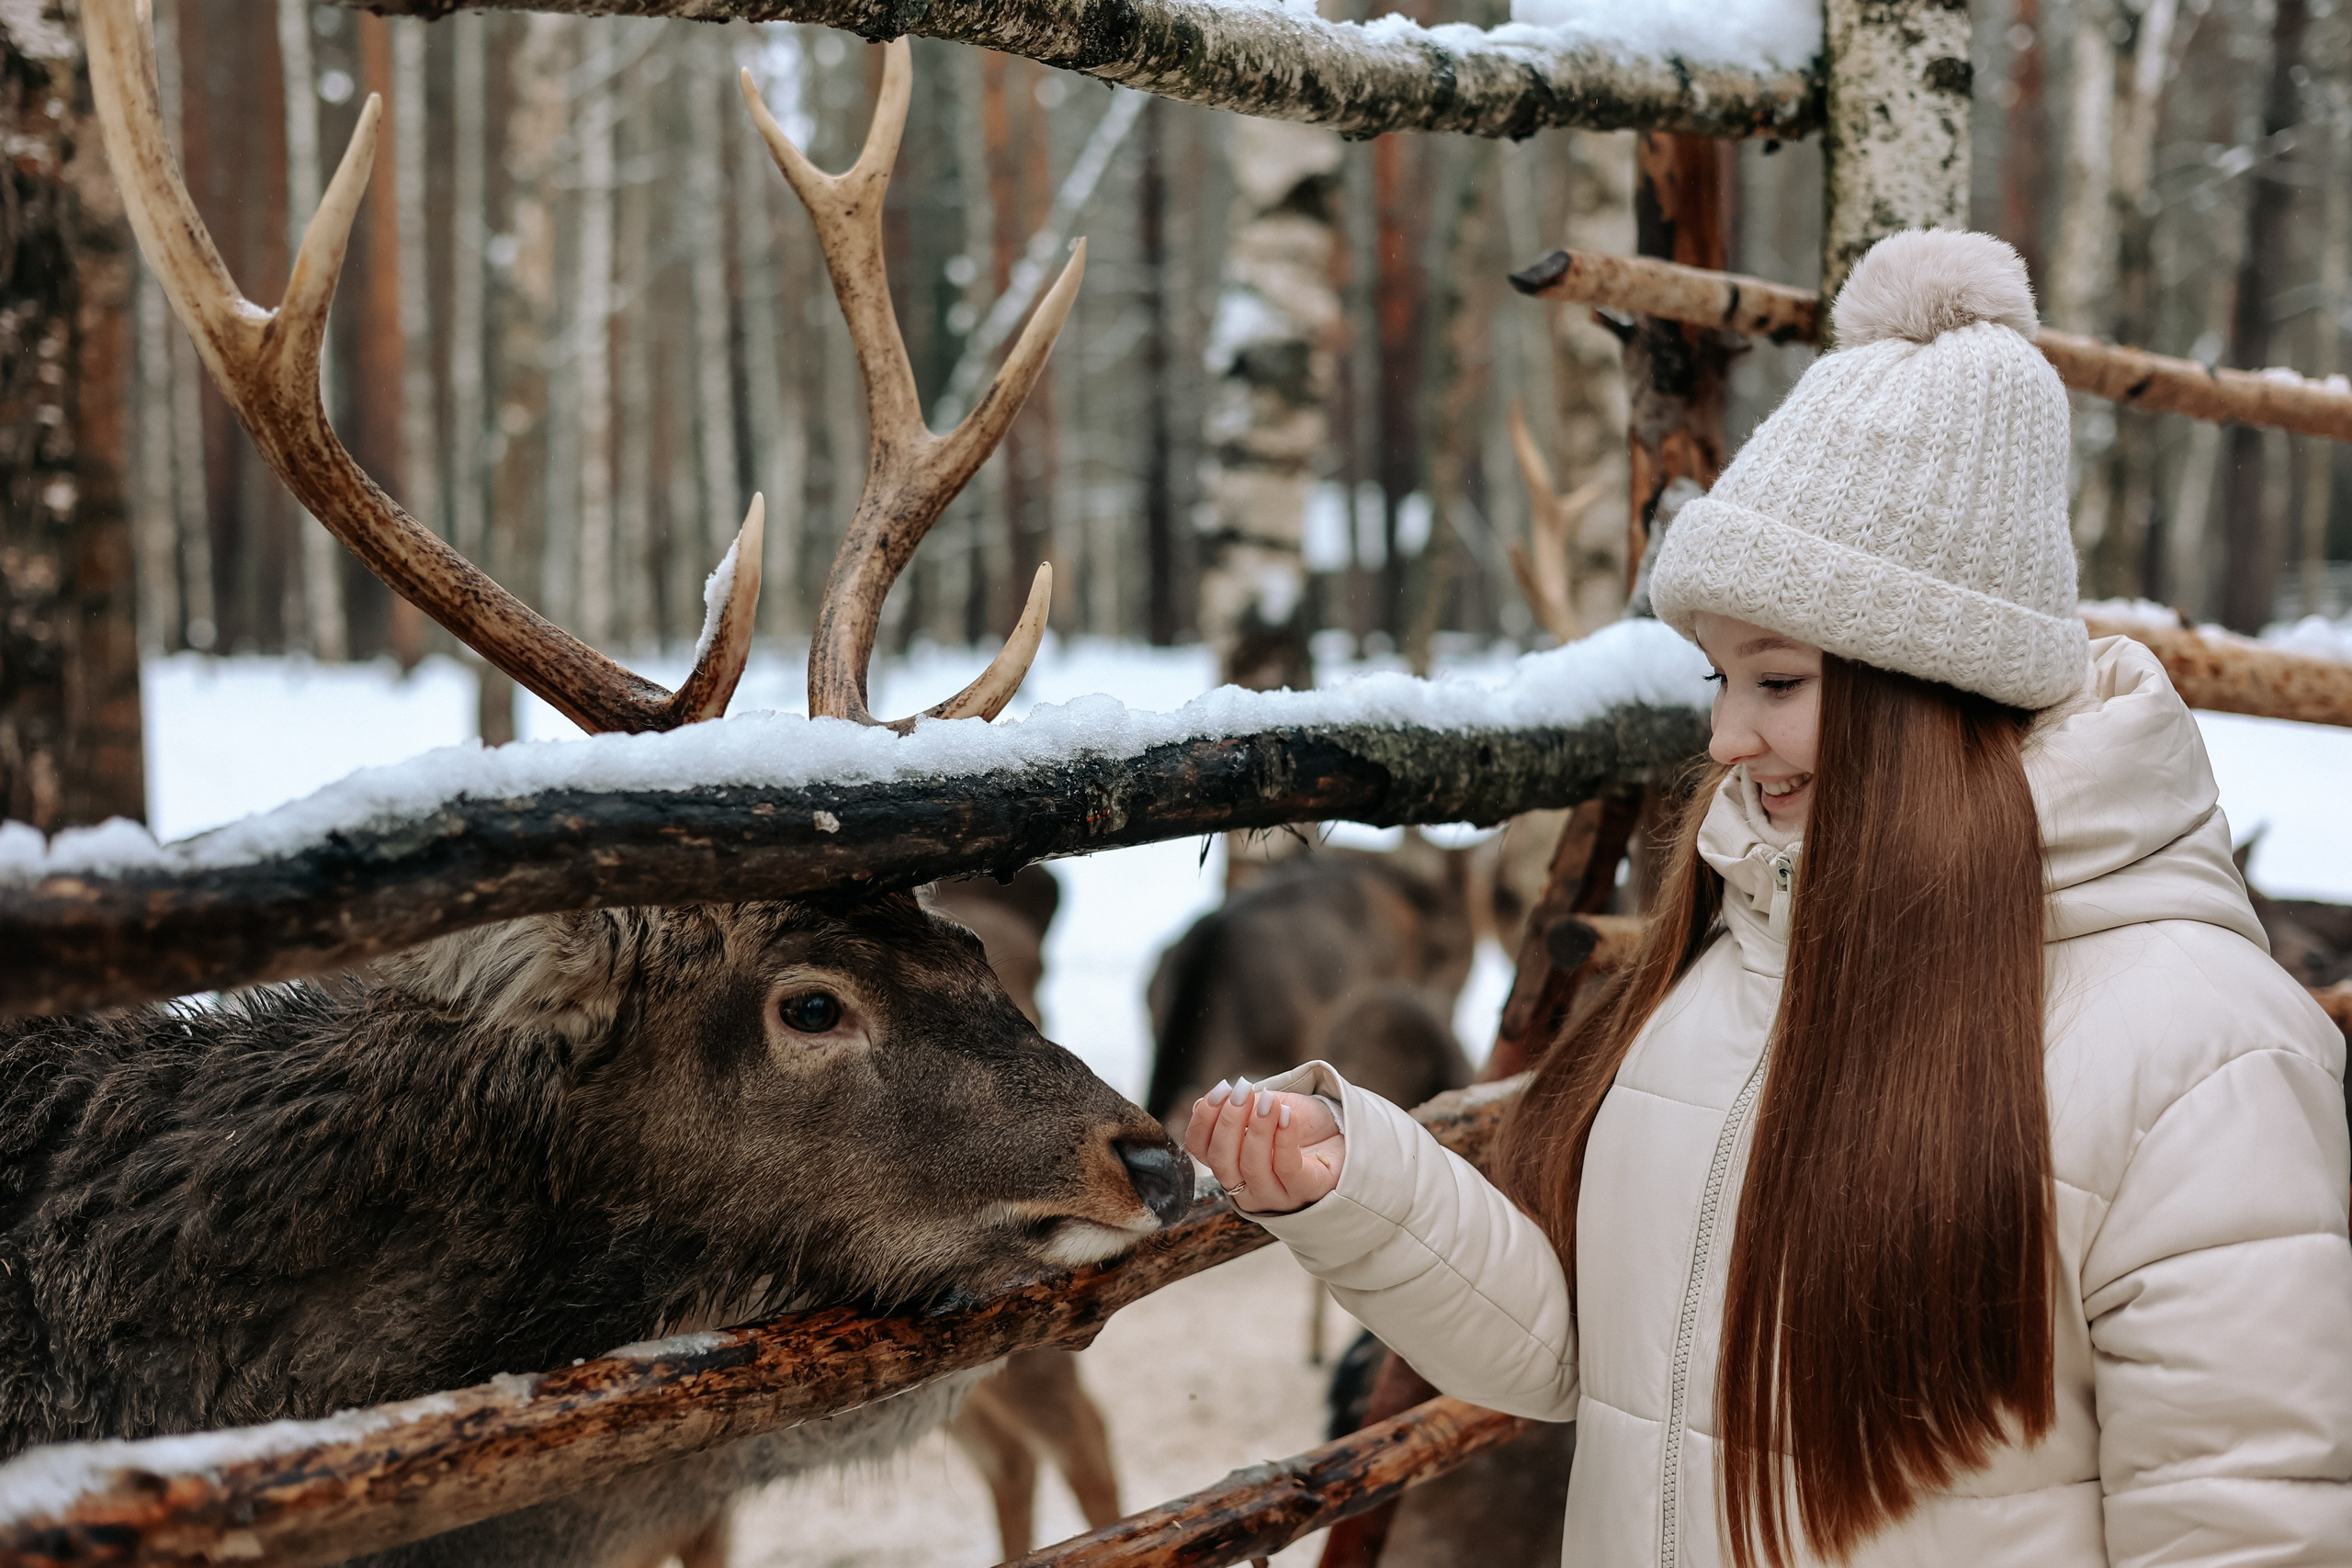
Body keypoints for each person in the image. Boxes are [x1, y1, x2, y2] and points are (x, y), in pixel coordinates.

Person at [1186, 229, 2352, 1568]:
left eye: (1779, 683)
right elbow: (1592, 1362)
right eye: (1719, 683)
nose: (1729, 740)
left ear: (1932, 686)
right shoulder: (1735, 968)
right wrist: (1365, 1192)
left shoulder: (2195, 1052)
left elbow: (2249, 1530)